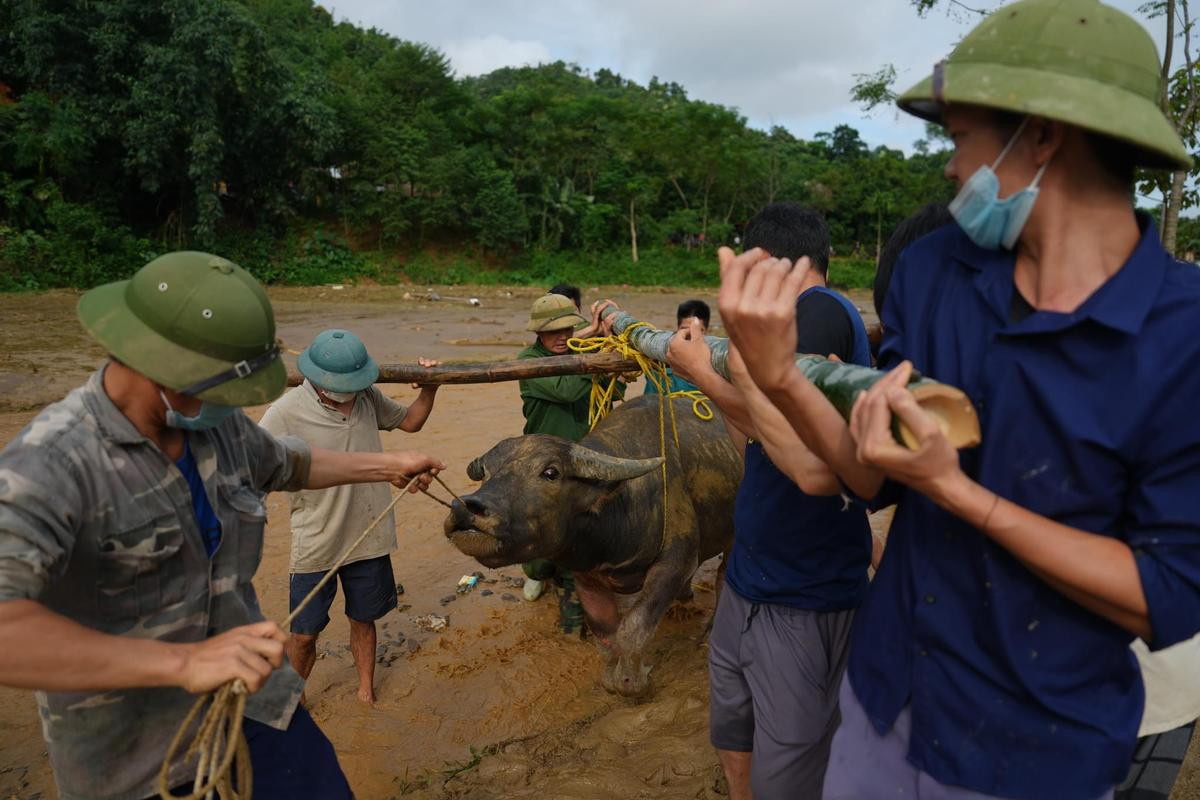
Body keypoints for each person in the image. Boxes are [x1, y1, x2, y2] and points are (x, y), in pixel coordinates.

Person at [718, 1, 1200, 797]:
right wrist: (778, 376)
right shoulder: (939, 270)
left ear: (1043, 135)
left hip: (1031, 749)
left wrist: (960, 496)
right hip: (883, 704)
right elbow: (870, 478)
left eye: (961, 139)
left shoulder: (1181, 336)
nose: (948, 169)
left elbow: (1166, 598)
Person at [0, 252, 444, 800]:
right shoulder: (50, 466)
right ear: (161, 365)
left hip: (254, 705)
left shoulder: (218, 428)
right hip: (138, 758)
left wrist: (389, 464)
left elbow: (290, 463)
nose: (233, 402)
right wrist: (182, 661)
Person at [666, 203, 873, 800]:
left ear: (773, 265)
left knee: (791, 771)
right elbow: (751, 436)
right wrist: (730, 367)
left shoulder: (819, 313)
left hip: (804, 594)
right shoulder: (785, 324)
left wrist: (704, 375)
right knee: (734, 729)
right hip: (751, 580)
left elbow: (801, 453)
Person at [259, 329, 440, 706]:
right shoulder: (285, 411)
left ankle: (365, 691)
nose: (350, 391)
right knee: (304, 633)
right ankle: (294, 699)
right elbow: (255, 467)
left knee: (364, 618)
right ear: (318, 380)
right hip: (317, 538)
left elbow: (410, 423)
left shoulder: (367, 397)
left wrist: (430, 389)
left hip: (369, 533)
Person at [516, 293, 617, 632]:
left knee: (581, 534)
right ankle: (538, 572)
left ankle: (574, 612)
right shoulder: (528, 360)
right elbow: (566, 391)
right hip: (543, 466)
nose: (562, 337)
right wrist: (596, 358)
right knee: (544, 540)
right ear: (538, 334)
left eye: (567, 330)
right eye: (553, 331)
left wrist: (608, 357)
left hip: (580, 460)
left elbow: (613, 391)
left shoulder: (581, 352)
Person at [643, 299, 710, 396]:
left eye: (698, 330)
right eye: (684, 329)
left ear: (706, 332)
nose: (690, 335)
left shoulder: (718, 371)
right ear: (677, 329)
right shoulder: (661, 373)